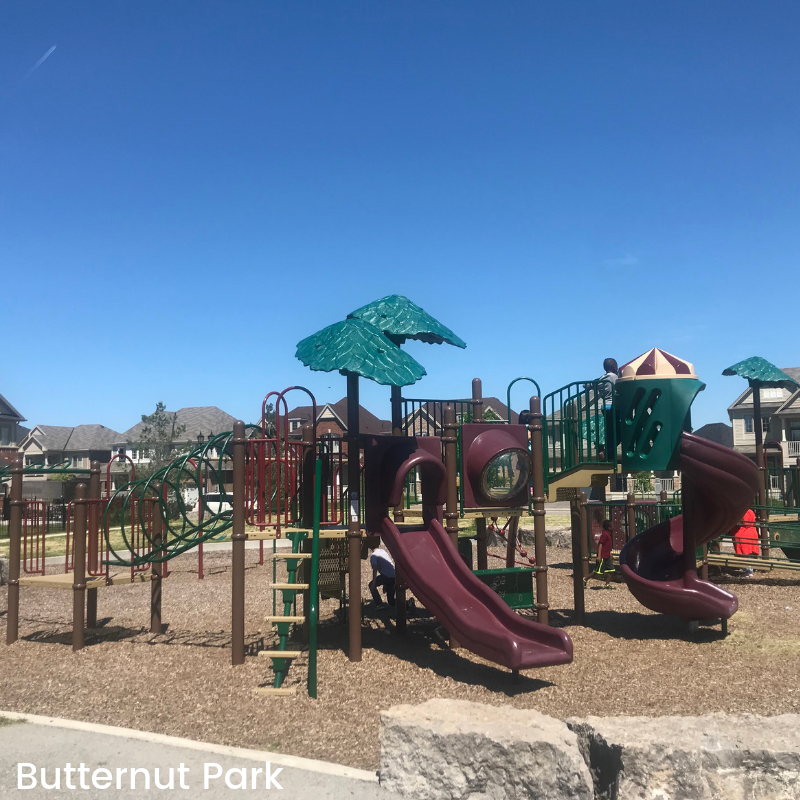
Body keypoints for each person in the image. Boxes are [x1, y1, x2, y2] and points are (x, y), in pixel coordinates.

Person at [585, 519, 615, 589]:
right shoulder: (605, 534)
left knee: (612, 570)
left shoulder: (609, 535)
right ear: (609, 527)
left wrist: (610, 554)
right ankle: (585, 579)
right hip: (603, 557)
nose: (613, 526)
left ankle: (607, 584)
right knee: (596, 572)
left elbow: (607, 546)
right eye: (612, 525)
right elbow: (600, 545)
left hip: (607, 556)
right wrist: (599, 556)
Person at [732, 508, 759, 577]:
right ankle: (751, 568)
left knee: (744, 553)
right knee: (751, 552)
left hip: (742, 534)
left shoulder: (741, 512)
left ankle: (748, 571)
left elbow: (739, 522)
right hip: (752, 532)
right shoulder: (750, 511)